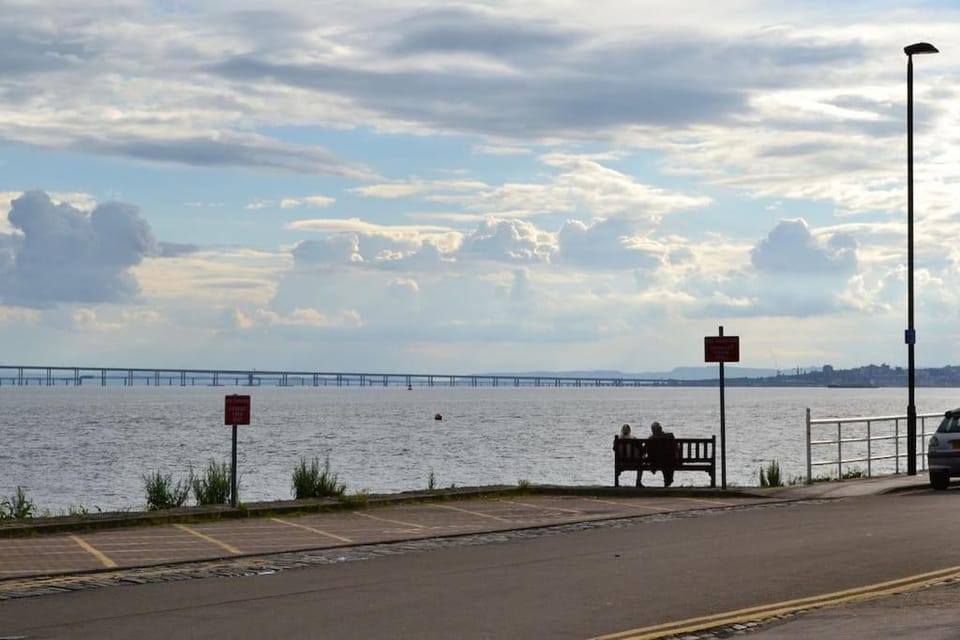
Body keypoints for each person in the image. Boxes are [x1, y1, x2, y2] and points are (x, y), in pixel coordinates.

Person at [648, 421, 678, 487]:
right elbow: (676, 448)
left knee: (663, 461)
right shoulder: (670, 436)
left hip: (656, 462)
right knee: (668, 461)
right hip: (670, 460)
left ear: (653, 430)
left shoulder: (651, 439)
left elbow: (646, 451)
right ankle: (668, 480)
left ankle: (667, 480)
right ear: (661, 428)